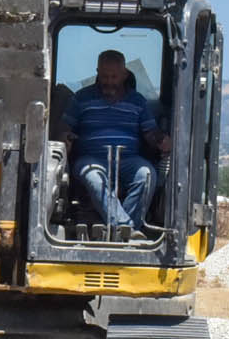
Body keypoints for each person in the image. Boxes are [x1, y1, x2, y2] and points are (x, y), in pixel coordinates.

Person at [57, 47, 164, 230]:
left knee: (146, 175)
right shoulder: (82, 98)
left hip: (128, 159)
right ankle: (126, 229)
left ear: (124, 75)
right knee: (96, 179)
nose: (109, 82)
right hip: (90, 159)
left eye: (114, 77)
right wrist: (63, 139)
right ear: (97, 72)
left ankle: (124, 231)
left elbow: (150, 133)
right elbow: (64, 128)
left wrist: (161, 141)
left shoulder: (138, 101)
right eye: (105, 76)